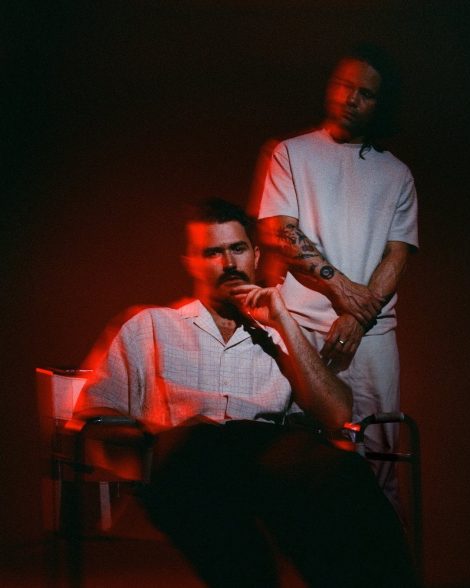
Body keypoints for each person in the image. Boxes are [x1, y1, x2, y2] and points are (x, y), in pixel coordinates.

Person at [75, 198, 415, 587]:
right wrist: (151, 443)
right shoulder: (149, 326)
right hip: (185, 465)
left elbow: (337, 413)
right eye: (212, 253)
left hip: (265, 467)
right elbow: (93, 417)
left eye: (237, 248)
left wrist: (283, 320)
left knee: (344, 470)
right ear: (191, 262)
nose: (228, 263)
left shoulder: (282, 338)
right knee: (200, 444)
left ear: (255, 255)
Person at [254, 43, 419, 503]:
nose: (351, 99)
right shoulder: (291, 153)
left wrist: (357, 319)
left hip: (372, 336)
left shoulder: (397, 174)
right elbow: (282, 233)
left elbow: (397, 255)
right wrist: (344, 293)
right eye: (344, 86)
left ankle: (381, 547)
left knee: (380, 463)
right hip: (302, 328)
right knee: (299, 457)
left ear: (379, 104)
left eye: (365, 93)